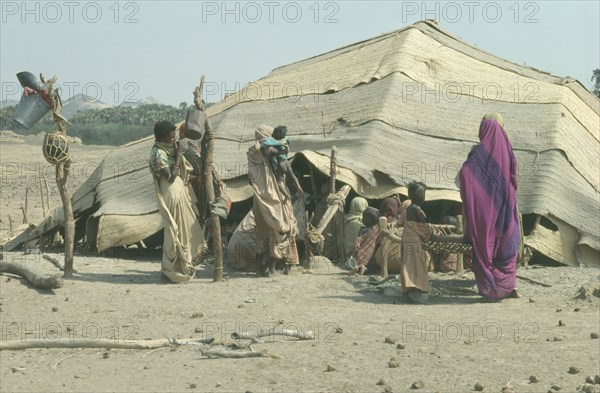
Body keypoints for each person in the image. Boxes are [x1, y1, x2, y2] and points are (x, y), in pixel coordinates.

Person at [458, 113, 520, 301]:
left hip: (485, 216)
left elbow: (466, 176)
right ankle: (505, 287)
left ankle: (489, 288)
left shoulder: (477, 155)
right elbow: (514, 179)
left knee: (484, 244)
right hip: (507, 211)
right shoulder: (509, 152)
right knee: (506, 246)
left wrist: (483, 196)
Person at [149, 120, 205, 283]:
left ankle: (182, 267)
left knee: (183, 229)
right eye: (170, 137)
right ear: (162, 137)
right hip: (171, 192)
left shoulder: (170, 147)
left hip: (178, 190)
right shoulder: (158, 154)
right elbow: (171, 176)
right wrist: (179, 155)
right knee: (174, 231)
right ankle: (169, 270)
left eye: (174, 136)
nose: (174, 139)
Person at [248, 124, 300, 277]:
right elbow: (273, 151)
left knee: (261, 232)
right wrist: (283, 145)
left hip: (259, 198)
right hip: (272, 197)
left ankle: (260, 269)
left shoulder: (252, 152)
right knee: (277, 229)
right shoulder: (264, 150)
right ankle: (271, 269)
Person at [400, 181, 433, 303]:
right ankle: (416, 290)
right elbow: (424, 225)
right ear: (412, 196)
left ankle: (408, 290)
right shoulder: (417, 209)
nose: (422, 197)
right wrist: (431, 234)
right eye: (420, 194)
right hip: (414, 242)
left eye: (423, 194)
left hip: (407, 240)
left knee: (408, 265)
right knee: (417, 265)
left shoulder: (408, 209)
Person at [257, 125, 303, 200]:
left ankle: (286, 195)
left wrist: (260, 141)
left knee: (279, 182)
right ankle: (298, 185)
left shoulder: (273, 141)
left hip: (280, 164)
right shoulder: (285, 140)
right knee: (293, 176)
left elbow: (264, 144)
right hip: (286, 162)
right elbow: (288, 142)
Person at [348, 207, 380, 275]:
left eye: (364, 217)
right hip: (372, 258)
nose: (362, 219)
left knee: (355, 259)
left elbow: (358, 241)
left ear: (369, 219)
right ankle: (363, 268)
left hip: (361, 256)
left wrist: (354, 247)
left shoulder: (363, 229)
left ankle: (358, 268)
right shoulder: (378, 229)